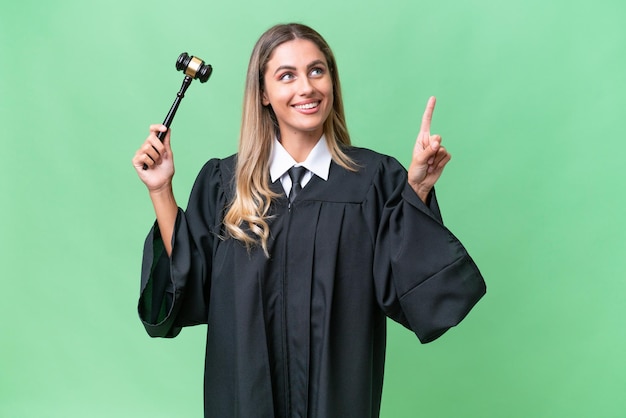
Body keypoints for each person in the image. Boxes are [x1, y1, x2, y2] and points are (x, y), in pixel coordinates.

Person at [132, 23, 486, 418]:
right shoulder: (224, 185)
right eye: (287, 76)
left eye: (317, 71)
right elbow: (189, 290)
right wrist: (160, 190)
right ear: (263, 94)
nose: (307, 87)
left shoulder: (374, 180)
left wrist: (415, 190)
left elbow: (404, 286)